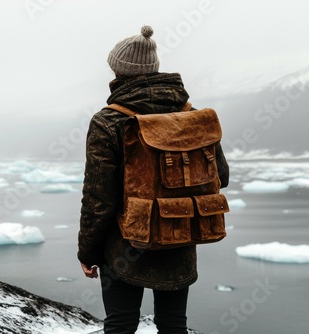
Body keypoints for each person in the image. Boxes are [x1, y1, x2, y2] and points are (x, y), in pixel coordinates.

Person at [77, 25, 229, 334]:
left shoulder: (108, 121)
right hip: (178, 235)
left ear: (118, 70)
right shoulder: (191, 116)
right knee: (173, 325)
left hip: (123, 244)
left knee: (120, 324)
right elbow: (220, 176)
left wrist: (87, 252)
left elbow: (99, 198)